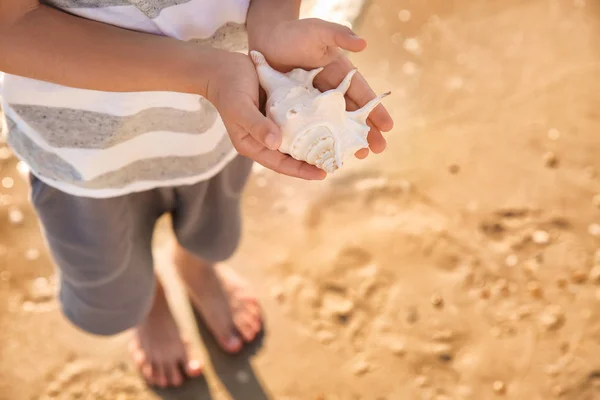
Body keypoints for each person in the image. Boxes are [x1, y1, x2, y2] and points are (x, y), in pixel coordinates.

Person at [0, 0, 394, 388]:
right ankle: (149, 299)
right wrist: (204, 74)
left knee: (210, 230)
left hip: (220, 123)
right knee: (115, 289)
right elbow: (9, 26)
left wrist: (273, 22)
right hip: (81, 153)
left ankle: (194, 267)